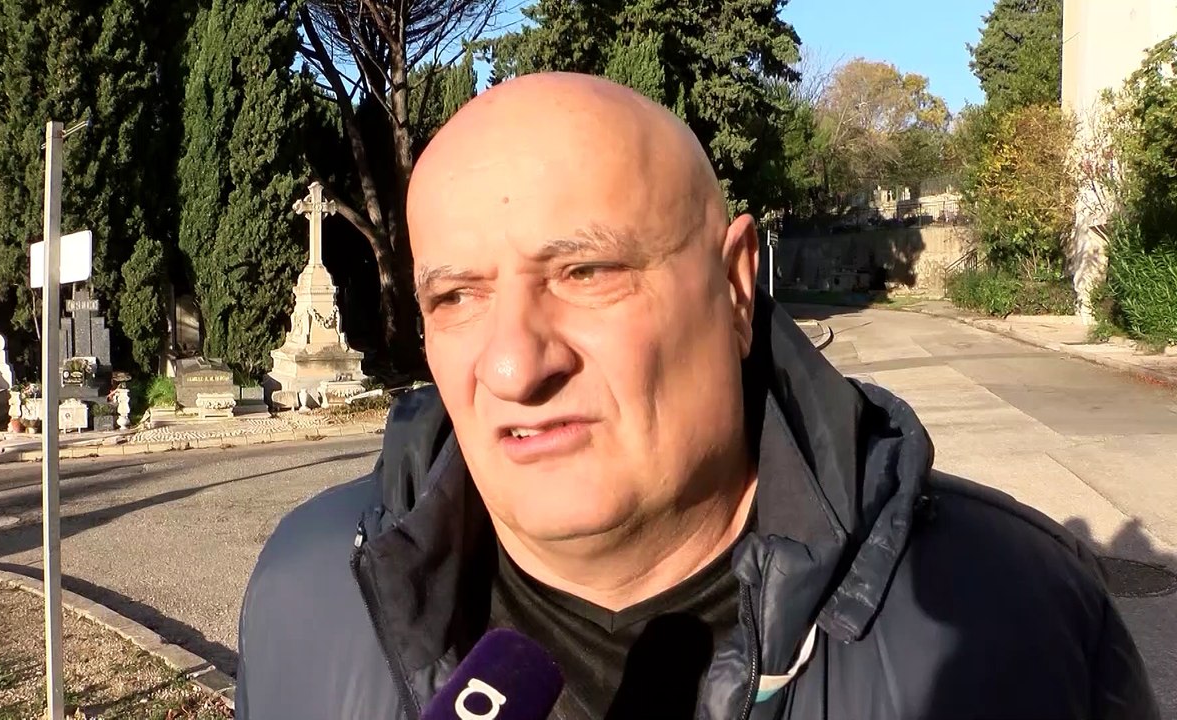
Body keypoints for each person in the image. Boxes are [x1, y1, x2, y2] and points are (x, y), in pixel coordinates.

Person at [235, 73, 1159, 720]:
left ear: (735, 286)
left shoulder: (1014, 614)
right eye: (457, 297)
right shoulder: (309, 591)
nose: (515, 366)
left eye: (587, 270)